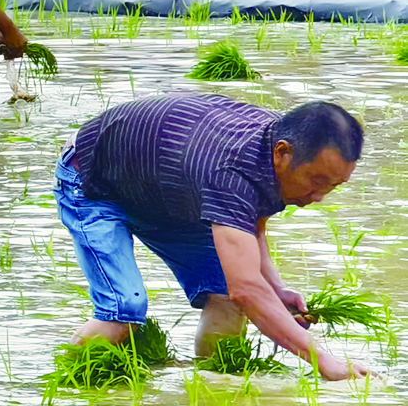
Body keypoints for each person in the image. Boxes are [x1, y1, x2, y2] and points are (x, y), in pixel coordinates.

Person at [59, 94, 370, 381]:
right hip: (94, 182)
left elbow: (252, 218)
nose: (319, 196)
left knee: (225, 298)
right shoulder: (233, 171)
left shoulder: (285, 145)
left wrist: (276, 289)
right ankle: (65, 388)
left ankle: (214, 388)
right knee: (123, 310)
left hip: (169, 194)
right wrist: (324, 362)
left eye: (333, 185)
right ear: (282, 154)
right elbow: (246, 288)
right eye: (316, 181)